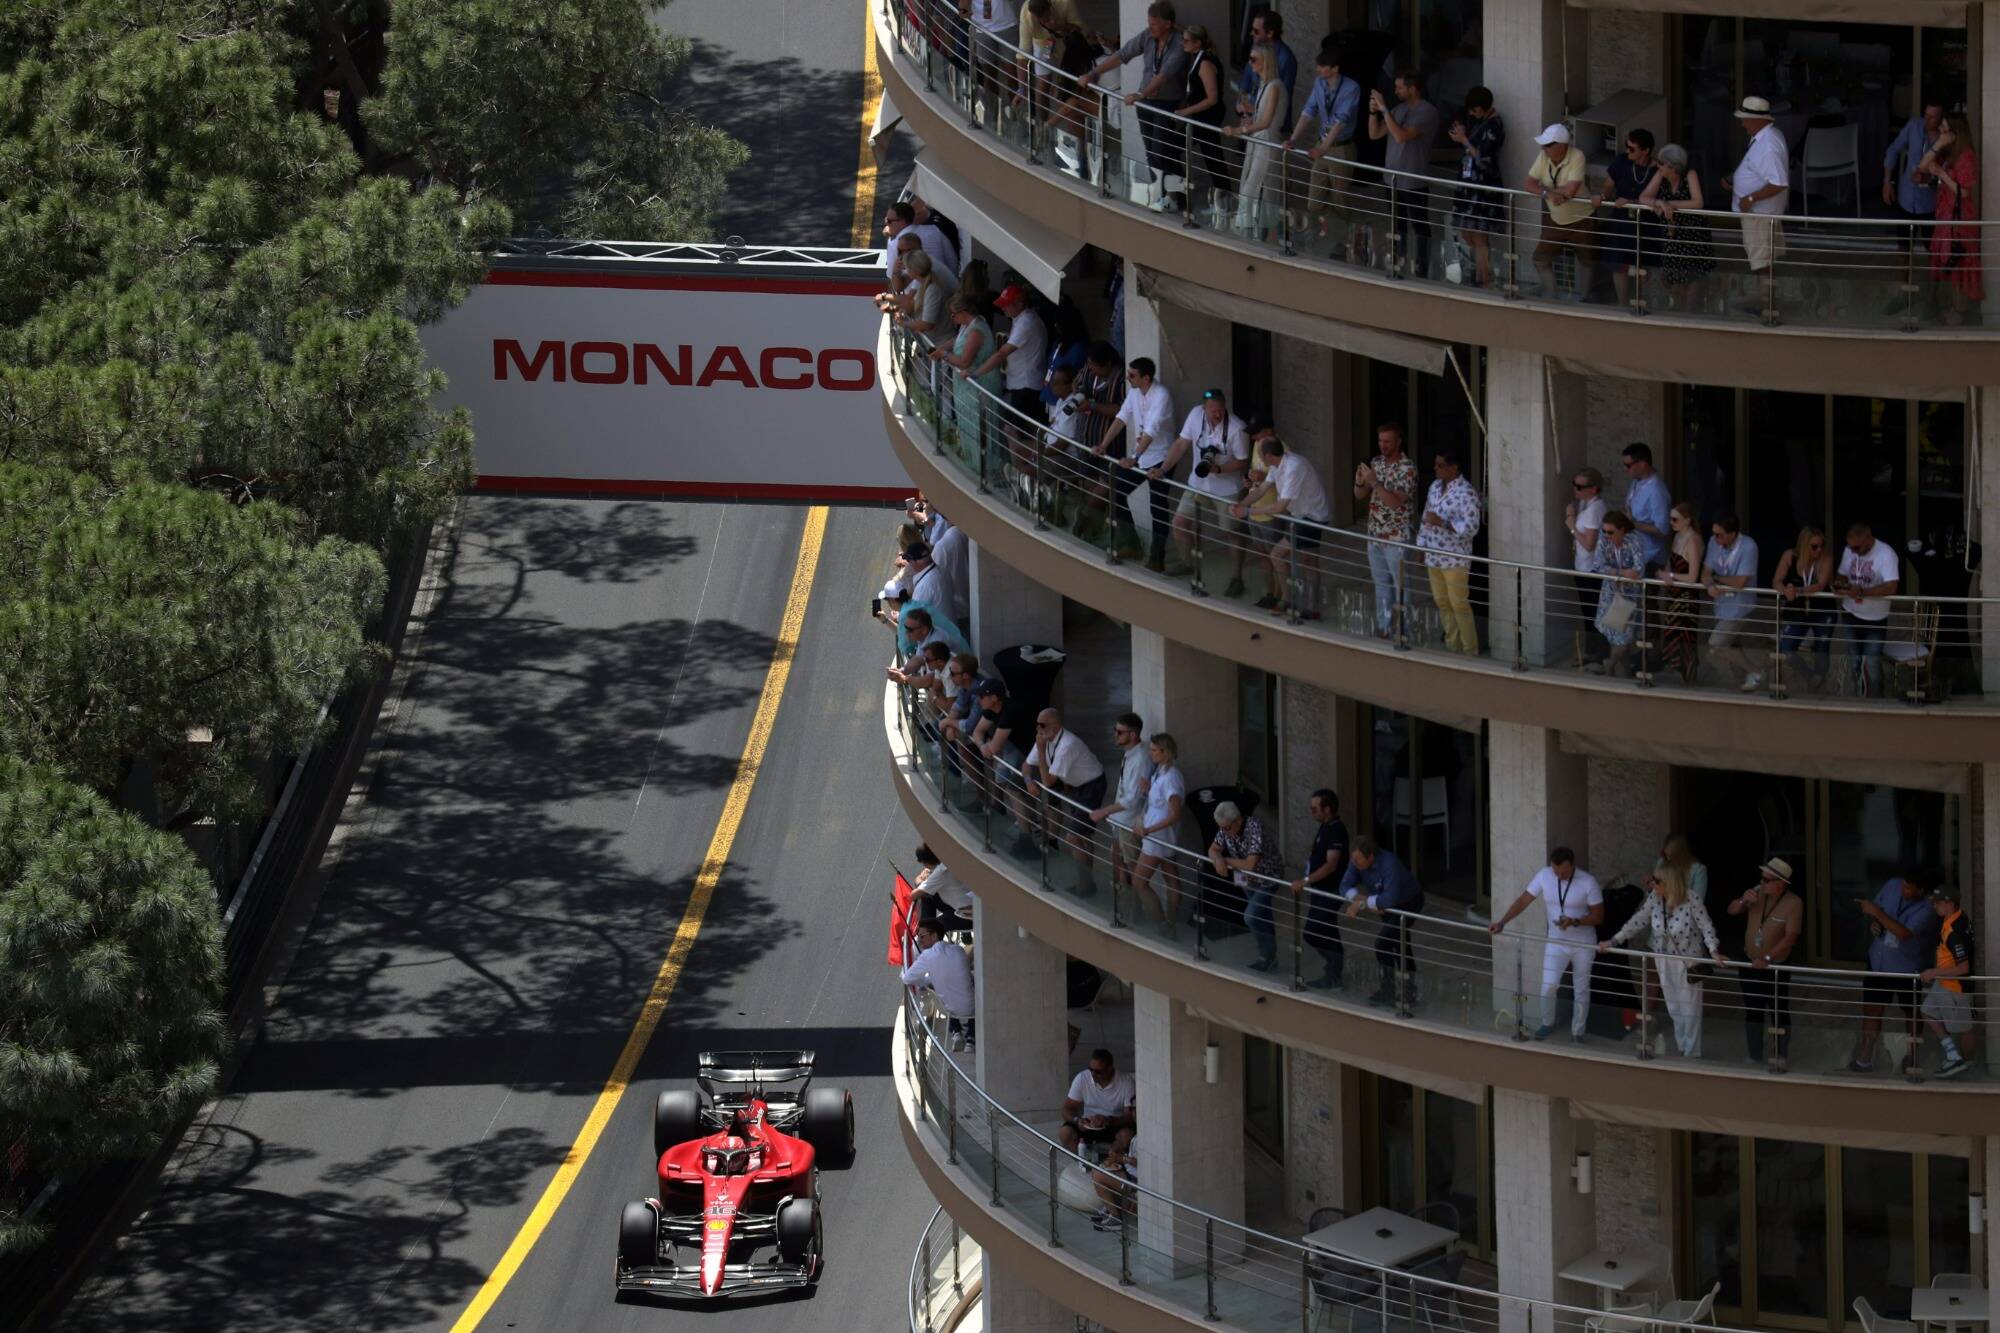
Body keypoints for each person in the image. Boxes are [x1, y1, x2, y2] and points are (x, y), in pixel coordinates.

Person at [1601, 862, 1726, 1058]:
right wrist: (1615, 940)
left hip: (1688, 961)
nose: (1652, 883)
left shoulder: (1692, 899)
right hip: (1662, 959)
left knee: (1689, 1008)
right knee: (1674, 1006)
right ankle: (1683, 1046)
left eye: (1657, 880)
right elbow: (1639, 920)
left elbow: (1706, 927)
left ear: (1669, 882)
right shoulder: (1655, 898)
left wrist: (1713, 950)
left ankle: (1692, 1053)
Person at [1489, 848, 1605, 1043]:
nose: (1559, 876)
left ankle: (1578, 1031)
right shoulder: (1544, 875)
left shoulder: (1588, 881)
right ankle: (1547, 1022)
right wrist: (1502, 922)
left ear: (1573, 866)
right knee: (1548, 985)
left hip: (1583, 942)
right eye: (1556, 872)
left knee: (1581, 987)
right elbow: (1524, 900)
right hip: (1556, 941)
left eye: (1564, 872)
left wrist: (1575, 921)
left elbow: (1599, 916)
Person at [1078, 2, 1189, 190]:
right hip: (1146, 103)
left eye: (1154, 24)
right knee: (1151, 152)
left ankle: (1176, 193)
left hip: (1167, 103)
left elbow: (1164, 74)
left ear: (1168, 24)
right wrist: (1094, 73)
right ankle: (1160, 191)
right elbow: (1123, 55)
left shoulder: (1179, 44)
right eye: (1149, 23)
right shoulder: (1148, 35)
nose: (1150, 27)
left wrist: (1140, 94)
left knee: (1162, 151)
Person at [1848, 869, 1941, 1075]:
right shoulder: (1892, 885)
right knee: (1872, 1008)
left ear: (1921, 891)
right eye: (1903, 884)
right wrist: (1875, 924)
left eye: (1909, 888)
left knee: (1911, 1012)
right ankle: (1865, 1057)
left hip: (1906, 968)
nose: (1903, 889)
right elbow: (1878, 913)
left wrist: (1876, 913)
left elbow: (1904, 933)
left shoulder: (1928, 907)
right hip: (1878, 961)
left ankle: (1913, 1055)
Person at [1233, 436, 1332, 619]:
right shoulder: (1277, 464)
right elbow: (1262, 489)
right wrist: (1242, 504)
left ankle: (1290, 601)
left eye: (1262, 455)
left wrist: (1247, 512)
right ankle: (1307, 606)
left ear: (1269, 455)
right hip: (1300, 515)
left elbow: (1280, 507)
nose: (1260, 458)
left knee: (1279, 554)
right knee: (1308, 561)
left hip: (1312, 517)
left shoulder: (1294, 467)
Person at [1162, 387, 1250, 588]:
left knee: (1232, 532)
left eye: (1221, 410)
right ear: (1204, 408)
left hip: (1227, 489)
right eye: (1213, 411)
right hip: (1198, 483)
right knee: (1179, 523)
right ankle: (1188, 563)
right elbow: (1181, 444)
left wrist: (1218, 469)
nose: (1218, 414)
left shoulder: (1237, 428)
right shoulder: (1195, 415)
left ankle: (1237, 577)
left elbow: (1242, 461)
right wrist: (1163, 469)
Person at [1023, 708, 1108, 894]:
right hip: (1076, 786)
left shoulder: (1067, 745)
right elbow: (1026, 765)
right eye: (1037, 724)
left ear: (1056, 726)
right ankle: (1087, 881)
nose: (1038, 728)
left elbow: (1048, 782)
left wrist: (1040, 750)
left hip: (1091, 786)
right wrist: (1028, 781)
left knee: (1073, 836)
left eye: (1042, 725)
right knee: (1083, 835)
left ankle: (1085, 885)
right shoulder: (1045, 737)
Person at [1285, 46, 1363, 247]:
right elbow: (1309, 111)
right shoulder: (1319, 83)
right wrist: (1293, 138)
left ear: (1335, 68)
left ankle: (1346, 242)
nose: (1318, 70)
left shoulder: (1352, 87)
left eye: (1322, 66)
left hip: (1340, 146)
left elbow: (1341, 120)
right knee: (1314, 202)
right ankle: (1339, 231)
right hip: (1323, 144)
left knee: (1340, 198)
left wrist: (1323, 148)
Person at [1100, 357, 1176, 563]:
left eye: (1132, 375)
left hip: (1162, 457)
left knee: (1157, 505)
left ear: (1146, 378)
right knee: (1117, 490)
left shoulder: (1162, 395)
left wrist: (1134, 457)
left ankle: (1157, 558)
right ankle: (1130, 544)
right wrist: (1103, 445)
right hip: (1142, 457)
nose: (1127, 378)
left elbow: (1151, 430)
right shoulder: (1134, 392)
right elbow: (1121, 418)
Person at [1728, 858, 1803, 1065]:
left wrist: (1768, 958)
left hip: (1775, 966)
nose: (1763, 883)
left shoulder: (1793, 903)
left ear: (1781, 883)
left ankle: (1780, 1054)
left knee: (1778, 1009)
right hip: (1750, 962)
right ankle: (1754, 1054)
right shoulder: (1756, 894)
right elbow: (1732, 911)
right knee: (1753, 1009)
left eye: (1767, 880)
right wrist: (1744, 900)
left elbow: (1790, 938)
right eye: (1762, 879)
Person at [1369, 69, 1440, 278]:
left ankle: (1422, 267)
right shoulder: (1397, 110)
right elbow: (1374, 134)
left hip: (1414, 179)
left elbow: (1401, 136)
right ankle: (1399, 261)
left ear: (1413, 88)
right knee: (1396, 222)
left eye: (1400, 87)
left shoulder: (1427, 112)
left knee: (1419, 223)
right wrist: (1374, 112)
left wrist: (1384, 109)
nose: (1396, 90)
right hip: (1392, 178)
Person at [1338, 835, 1423, 1006]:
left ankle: (1397, 989)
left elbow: (1389, 899)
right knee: (1400, 943)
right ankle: (1397, 990)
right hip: (1384, 905)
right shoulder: (1356, 861)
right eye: (1353, 859)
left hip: (1408, 903)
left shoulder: (1388, 864)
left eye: (1359, 860)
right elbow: (1344, 886)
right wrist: (1360, 899)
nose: (1355, 864)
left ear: (1370, 857)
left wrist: (1362, 904)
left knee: (1383, 943)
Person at [1725, 97, 1789, 318]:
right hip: (1760, 214)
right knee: (1763, 260)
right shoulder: (1766, 137)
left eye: (1746, 120)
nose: (1743, 124)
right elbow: (1759, 171)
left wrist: (1750, 198)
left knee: (1762, 262)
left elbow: (1778, 183)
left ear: (1757, 119)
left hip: (1760, 215)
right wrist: (1737, 181)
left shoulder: (1768, 145)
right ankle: (1768, 304)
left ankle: (1768, 308)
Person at [1354, 422, 1417, 639]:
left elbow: (1395, 503)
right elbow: (1359, 495)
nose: (1383, 445)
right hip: (1374, 535)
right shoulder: (1376, 463)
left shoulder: (1407, 469)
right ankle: (1384, 625)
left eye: (1388, 441)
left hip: (1397, 537)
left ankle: (1404, 628)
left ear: (1399, 441)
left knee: (1401, 586)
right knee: (1380, 583)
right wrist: (1361, 482)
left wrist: (1375, 483)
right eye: (1380, 441)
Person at [1918, 113, 1982, 324]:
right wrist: (1939, 144)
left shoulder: (1966, 156)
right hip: (1946, 216)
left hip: (1960, 220)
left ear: (1957, 132)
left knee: (1959, 262)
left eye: (1945, 129)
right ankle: (1955, 309)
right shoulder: (1949, 153)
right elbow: (1923, 166)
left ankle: (1959, 311)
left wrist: (1942, 174)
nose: (1941, 132)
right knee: (1951, 263)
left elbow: (1964, 192)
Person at [1417, 448, 1482, 655]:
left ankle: (1470, 649)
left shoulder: (1466, 493)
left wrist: (1444, 523)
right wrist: (1421, 546)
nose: (1436, 469)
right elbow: (1426, 518)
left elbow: (1471, 528)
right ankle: (1452, 644)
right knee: (1441, 601)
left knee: (1458, 603)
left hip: (1455, 559)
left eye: (1441, 465)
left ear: (1454, 468)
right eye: (1435, 464)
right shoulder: (1435, 487)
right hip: (1434, 555)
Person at [1639, 143, 1717, 312]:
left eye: (1660, 162)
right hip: (1672, 238)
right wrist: (1658, 202)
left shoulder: (1690, 175)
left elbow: (1698, 202)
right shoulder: (1661, 176)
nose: (1657, 165)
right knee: (1675, 285)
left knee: (1693, 283)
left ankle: (1690, 317)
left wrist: (1670, 204)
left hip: (1693, 237)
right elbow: (1644, 197)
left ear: (1672, 166)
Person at [931, 293, 1004, 473]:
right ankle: (973, 464)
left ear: (964, 312)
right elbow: (957, 340)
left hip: (979, 387)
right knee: (967, 425)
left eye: (953, 314)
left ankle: (983, 470)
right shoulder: (968, 325)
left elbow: (965, 362)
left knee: (979, 427)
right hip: (966, 387)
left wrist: (944, 355)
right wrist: (942, 348)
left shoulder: (977, 330)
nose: (952, 318)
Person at [1525, 123, 1597, 300]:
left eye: (1549, 144)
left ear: (1563, 146)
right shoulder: (1543, 156)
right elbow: (1528, 184)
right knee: (1540, 259)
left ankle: (1585, 297)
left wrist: (1545, 189)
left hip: (1583, 219)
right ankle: (1552, 294)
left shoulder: (1577, 156)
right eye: (1544, 144)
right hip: (1556, 219)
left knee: (1587, 261)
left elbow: (1571, 191)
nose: (1544, 148)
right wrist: (1547, 193)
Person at [1883, 97, 1943, 307]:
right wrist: (1888, 181)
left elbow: (1949, 176)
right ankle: (1902, 295)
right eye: (1926, 115)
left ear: (1940, 119)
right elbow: (1893, 149)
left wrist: (1930, 179)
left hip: (1929, 205)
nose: (1927, 120)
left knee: (1932, 253)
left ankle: (1932, 298)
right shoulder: (1914, 126)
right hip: (1906, 200)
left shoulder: (1946, 139)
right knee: (1902, 250)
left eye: (1932, 117)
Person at [1208, 801, 1283, 971]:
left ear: (1238, 821)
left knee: (1251, 917)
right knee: (1262, 916)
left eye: (1227, 828)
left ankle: (1267, 954)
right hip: (1244, 879)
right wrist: (1217, 858)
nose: (1224, 831)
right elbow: (1213, 849)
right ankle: (1268, 958)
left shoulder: (1254, 827)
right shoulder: (1226, 827)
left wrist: (1225, 859)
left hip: (1267, 878)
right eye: (1222, 828)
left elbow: (1251, 864)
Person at [1223, 42, 1289, 232]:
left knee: (1254, 188)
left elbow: (1267, 121)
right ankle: (1259, 227)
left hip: (1266, 141)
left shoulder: (1274, 86)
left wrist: (1240, 130)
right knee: (1259, 187)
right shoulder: (1265, 85)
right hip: (1260, 140)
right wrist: (1250, 118)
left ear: (1265, 61)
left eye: (1254, 59)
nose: (1250, 63)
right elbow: (1263, 117)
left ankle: (1254, 228)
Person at [1447, 86, 1505, 287]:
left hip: (1483, 186)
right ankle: (1479, 273)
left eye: (1474, 110)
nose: (1471, 114)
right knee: (1466, 231)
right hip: (1468, 183)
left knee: (1480, 234)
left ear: (1482, 108)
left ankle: (1484, 279)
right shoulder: (1478, 122)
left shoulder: (1494, 126)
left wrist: (1464, 140)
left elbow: (1483, 159)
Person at [1833, 521, 1899, 698]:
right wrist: (1839, 584)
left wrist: (1863, 591)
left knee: (1872, 664)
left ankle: (1875, 700)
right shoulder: (1849, 550)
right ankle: (1858, 696)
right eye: (1850, 547)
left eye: (1857, 547)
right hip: (1850, 613)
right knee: (1854, 660)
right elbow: (1841, 573)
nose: (1853, 551)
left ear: (1868, 539)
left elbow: (1891, 586)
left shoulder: (1886, 554)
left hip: (1875, 619)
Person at [1292, 788, 1349, 990]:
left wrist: (1306, 880)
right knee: (1328, 931)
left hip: (1330, 891)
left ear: (1328, 808)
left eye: (1315, 809)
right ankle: (1333, 974)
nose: (1312, 812)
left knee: (1313, 931)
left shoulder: (1336, 830)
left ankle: (1334, 972)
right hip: (1319, 890)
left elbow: (1331, 864)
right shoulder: (1325, 827)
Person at [1089, 712, 1150, 899]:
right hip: (1120, 821)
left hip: (1129, 824)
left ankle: (1132, 910)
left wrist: (1104, 811)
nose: (1115, 734)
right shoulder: (1131, 754)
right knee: (1117, 862)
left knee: (1132, 869)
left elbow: (1133, 799)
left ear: (1132, 735)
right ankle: (1123, 904)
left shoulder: (1140, 759)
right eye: (1115, 730)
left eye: (1119, 732)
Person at [1128, 732, 1186, 929]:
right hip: (1156, 834)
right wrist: (1148, 789)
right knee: (1171, 876)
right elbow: (1159, 801)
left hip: (1157, 836)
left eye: (1154, 750)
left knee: (1139, 881)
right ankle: (1170, 922)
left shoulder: (1171, 777)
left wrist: (1149, 829)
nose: (1151, 754)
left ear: (1165, 752)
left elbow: (1176, 813)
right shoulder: (1161, 771)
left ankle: (1162, 923)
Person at [1700, 514, 1762, 692]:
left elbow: (1741, 582)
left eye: (1720, 535)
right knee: (1732, 646)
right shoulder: (1714, 542)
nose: (1716, 538)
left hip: (1739, 606)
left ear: (1733, 534)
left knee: (1717, 644)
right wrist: (1710, 584)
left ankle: (1756, 671)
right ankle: (1745, 684)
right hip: (1720, 605)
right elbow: (1705, 573)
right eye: (1714, 534)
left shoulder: (1748, 547)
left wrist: (1717, 579)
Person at [1919, 885, 1976, 1078]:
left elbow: (1963, 968)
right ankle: (1953, 1055)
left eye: (1938, 903)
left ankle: (1966, 1067)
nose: (1934, 906)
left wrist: (1934, 972)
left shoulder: (1954, 931)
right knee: (1927, 1011)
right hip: (1943, 984)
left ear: (1950, 904)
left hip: (1954, 987)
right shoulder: (1955, 917)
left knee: (1964, 1029)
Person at [1597, 129, 1658, 308]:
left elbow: (1658, 198)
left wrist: (1631, 201)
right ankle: (1622, 303)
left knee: (1643, 265)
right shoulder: (1622, 161)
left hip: (1646, 223)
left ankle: (1640, 302)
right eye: (1626, 147)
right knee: (1618, 263)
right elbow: (1608, 184)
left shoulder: (1656, 169)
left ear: (1645, 151)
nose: (1627, 151)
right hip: (1621, 221)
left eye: (1632, 149)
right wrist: (1602, 195)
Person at [1772, 525, 1835, 689]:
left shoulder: (1825, 558)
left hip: (1822, 608)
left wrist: (1798, 590)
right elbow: (1777, 580)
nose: (1819, 550)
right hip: (1798, 608)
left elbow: (1820, 585)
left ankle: (1819, 678)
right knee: (1786, 648)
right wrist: (1785, 591)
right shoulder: (1789, 556)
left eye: (1822, 545)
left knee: (1822, 647)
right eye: (1814, 546)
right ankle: (1808, 675)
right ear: (1804, 546)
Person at [1173, 25, 1226, 210]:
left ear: (1198, 43)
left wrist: (1186, 112)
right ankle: (1181, 194)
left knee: (1213, 158)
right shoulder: (1197, 57)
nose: (1183, 43)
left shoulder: (1205, 63)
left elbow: (1212, 98)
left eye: (1187, 40)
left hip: (1207, 118)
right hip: (1198, 117)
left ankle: (1223, 201)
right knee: (1212, 157)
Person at [901, 920, 975, 1047]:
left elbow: (907, 978)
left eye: (922, 936)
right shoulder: (958, 950)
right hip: (973, 1007)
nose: (919, 940)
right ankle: (970, 1038)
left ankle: (956, 1032)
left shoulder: (927, 956)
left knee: (947, 990)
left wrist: (928, 981)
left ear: (934, 935)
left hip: (949, 1009)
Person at [1591, 510, 1647, 678]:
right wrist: (1620, 572)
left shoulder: (1634, 540)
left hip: (1628, 595)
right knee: (1617, 637)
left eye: (1610, 532)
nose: (1606, 535)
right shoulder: (1604, 538)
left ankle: (1611, 664)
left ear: (1622, 530)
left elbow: (1638, 570)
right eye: (1605, 531)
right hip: (1610, 593)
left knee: (1623, 638)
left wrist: (1619, 574)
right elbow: (1598, 564)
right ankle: (1625, 672)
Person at [1652, 502, 1701, 682]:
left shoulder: (1693, 541)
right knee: (1673, 634)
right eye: (1670, 519)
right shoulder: (1677, 537)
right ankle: (1679, 673)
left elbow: (1693, 577)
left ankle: (1689, 677)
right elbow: (1670, 564)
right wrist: (1662, 573)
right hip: (1673, 595)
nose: (1671, 522)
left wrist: (1670, 575)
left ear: (1687, 520)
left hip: (1686, 598)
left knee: (1685, 637)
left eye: (1675, 519)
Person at [1058, 1048, 1137, 1159]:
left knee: (1127, 1136)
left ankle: (1108, 1163)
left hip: (1114, 1124)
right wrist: (1077, 1120)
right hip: (1088, 1124)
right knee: (1065, 1133)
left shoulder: (1126, 1082)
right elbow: (1067, 1108)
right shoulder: (1082, 1078)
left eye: (1098, 1071)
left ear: (1110, 1069)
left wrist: (1108, 1120)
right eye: (1091, 1069)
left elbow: (1129, 1117)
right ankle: (1084, 1161)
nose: (1093, 1074)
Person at [1563, 466, 1607, 665]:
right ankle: (1593, 652)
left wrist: (1572, 526)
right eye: (1575, 485)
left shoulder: (1595, 509)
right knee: (1589, 613)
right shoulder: (1586, 505)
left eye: (1580, 487)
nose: (1576, 490)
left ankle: (1597, 654)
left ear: (1594, 489)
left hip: (1591, 570)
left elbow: (1589, 545)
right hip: (1583, 567)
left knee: (1592, 613)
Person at [1232, 7, 1295, 121]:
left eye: (1256, 31)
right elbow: (1246, 79)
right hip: (1249, 117)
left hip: (1271, 123)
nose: (1251, 33)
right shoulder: (1256, 48)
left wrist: (1255, 113)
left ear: (1270, 33)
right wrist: (1241, 102)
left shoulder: (1286, 59)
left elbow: (1283, 98)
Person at [1620, 442, 1671, 570]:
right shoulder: (1636, 481)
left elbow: (1662, 530)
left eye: (1628, 465)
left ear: (1642, 464)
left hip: (1648, 559)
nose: (1625, 469)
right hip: (1632, 554)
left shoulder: (1657, 491)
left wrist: (1633, 523)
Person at [910, 844, 973, 934]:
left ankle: (924, 933)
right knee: (927, 894)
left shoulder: (940, 873)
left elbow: (913, 895)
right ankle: (924, 926)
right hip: (966, 903)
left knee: (933, 927)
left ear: (926, 863)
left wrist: (919, 880)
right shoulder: (947, 860)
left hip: (967, 917)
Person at [1658, 832, 1708, 905]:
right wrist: (1651, 888)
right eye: (1666, 855)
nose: (1668, 859)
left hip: (1687, 912)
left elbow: (1698, 901)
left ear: (1681, 854)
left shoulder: (1698, 869)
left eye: (1672, 856)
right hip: (1662, 909)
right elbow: (1653, 896)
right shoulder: (1662, 861)